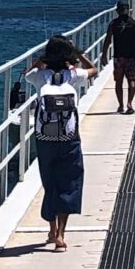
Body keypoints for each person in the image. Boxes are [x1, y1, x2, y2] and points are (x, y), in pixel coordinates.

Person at [24, 34, 96, 249]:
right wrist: (77, 54)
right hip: (69, 138)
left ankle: (52, 229)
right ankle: (61, 236)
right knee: (69, 183)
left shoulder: (39, 76)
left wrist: (42, 59)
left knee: (50, 184)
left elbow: (28, 72)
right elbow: (94, 70)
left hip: (45, 139)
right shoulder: (73, 75)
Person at [104, 0, 135, 112]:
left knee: (118, 82)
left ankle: (120, 105)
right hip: (131, 57)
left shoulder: (114, 24)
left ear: (118, 10)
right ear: (128, 10)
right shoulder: (134, 24)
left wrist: (104, 54)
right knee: (132, 80)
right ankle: (129, 104)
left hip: (118, 57)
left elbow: (108, 39)